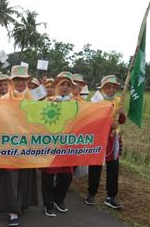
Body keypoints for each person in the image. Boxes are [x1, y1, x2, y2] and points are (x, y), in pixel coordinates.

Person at [0, 65, 38, 227]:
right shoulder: (2, 101)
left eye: (23, 80)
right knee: (10, 178)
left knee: (25, 176)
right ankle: (12, 210)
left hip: (27, 145)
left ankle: (21, 203)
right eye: (17, 80)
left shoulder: (33, 100)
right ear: (11, 81)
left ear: (27, 81)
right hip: (9, 146)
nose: (20, 83)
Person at [85, 75, 126, 209]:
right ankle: (91, 193)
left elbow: (121, 120)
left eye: (113, 87)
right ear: (103, 88)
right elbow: (93, 118)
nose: (111, 89)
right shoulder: (96, 100)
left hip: (113, 137)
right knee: (95, 165)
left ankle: (111, 196)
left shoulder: (119, 100)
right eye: (108, 87)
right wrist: (109, 123)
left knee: (113, 167)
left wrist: (121, 114)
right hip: (98, 136)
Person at [40, 72, 76, 217]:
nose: (65, 88)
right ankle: (48, 203)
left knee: (66, 176)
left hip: (67, 146)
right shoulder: (47, 101)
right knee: (48, 175)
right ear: (56, 86)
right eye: (62, 84)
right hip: (50, 145)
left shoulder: (76, 104)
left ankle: (58, 199)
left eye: (68, 85)